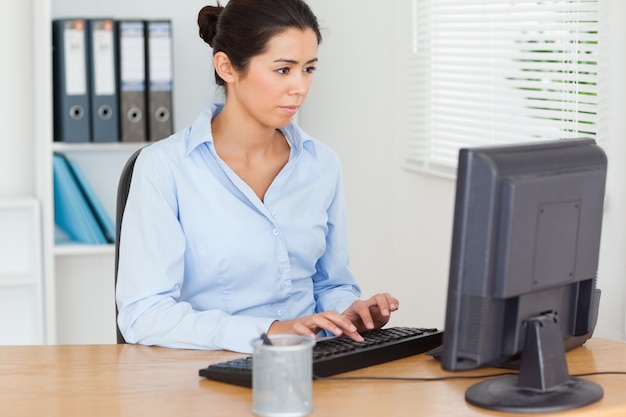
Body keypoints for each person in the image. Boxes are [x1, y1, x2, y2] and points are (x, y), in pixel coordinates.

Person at [116, 0, 399, 353]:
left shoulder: (321, 163)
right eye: (283, 70)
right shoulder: (165, 167)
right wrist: (270, 330)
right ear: (227, 68)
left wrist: (348, 311)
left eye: (309, 69)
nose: (300, 87)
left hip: (313, 364)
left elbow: (331, 284)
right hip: (207, 372)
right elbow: (143, 314)